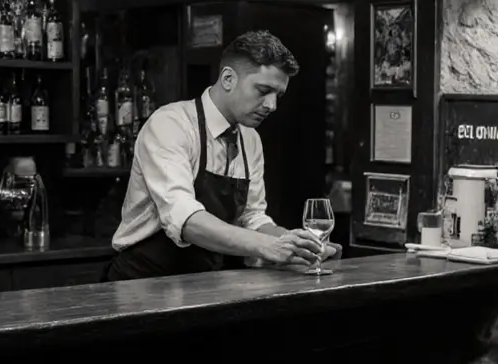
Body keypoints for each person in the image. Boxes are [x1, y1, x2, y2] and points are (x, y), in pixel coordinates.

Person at [106, 30, 337, 281]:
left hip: (204, 281)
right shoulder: (170, 125)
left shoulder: (250, 138)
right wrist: (267, 246)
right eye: (263, 90)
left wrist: (293, 243)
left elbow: (252, 218)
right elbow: (186, 219)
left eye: (278, 95)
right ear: (228, 78)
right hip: (143, 282)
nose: (272, 105)